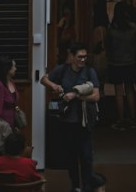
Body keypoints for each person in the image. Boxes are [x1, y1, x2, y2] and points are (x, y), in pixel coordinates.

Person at [41, 42, 101, 192]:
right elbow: (44, 79)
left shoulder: (89, 72)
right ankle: (75, 186)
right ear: (72, 57)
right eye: (79, 57)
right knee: (71, 156)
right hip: (67, 120)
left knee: (86, 155)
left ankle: (87, 185)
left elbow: (95, 96)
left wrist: (76, 95)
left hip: (84, 120)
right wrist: (54, 86)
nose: (82, 60)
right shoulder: (63, 70)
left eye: (85, 57)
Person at [104, 0, 136, 130]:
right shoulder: (133, 27)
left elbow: (107, 46)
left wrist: (109, 58)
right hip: (130, 62)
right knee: (130, 91)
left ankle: (120, 119)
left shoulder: (111, 29)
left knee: (118, 92)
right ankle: (132, 118)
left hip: (116, 63)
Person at [0, 56, 25, 158]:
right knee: (2, 153)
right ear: (7, 69)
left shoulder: (11, 82)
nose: (16, 69)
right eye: (14, 67)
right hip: (3, 127)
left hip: (12, 123)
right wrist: (0, 128)